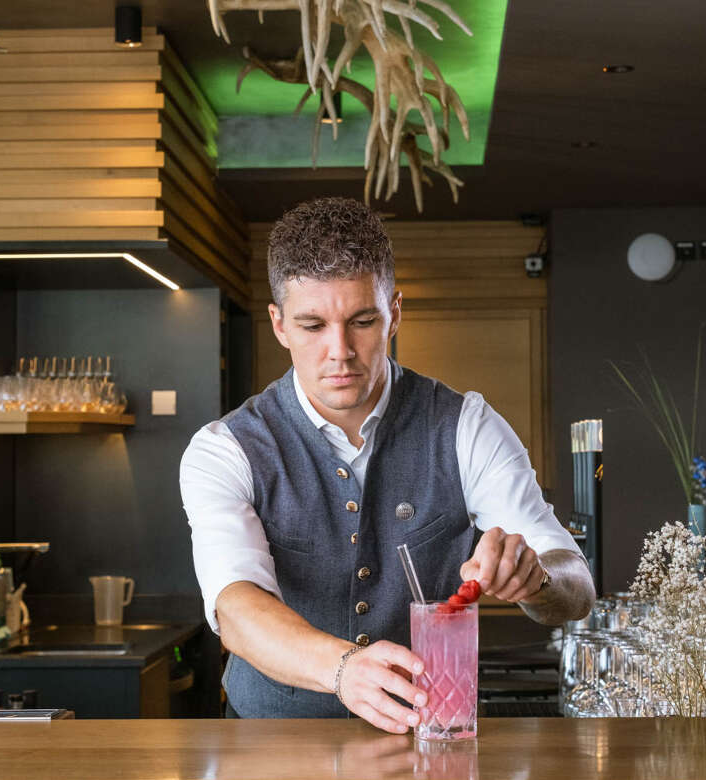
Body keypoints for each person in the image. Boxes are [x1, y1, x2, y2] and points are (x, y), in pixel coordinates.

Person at [180, 197, 595, 732]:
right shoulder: (225, 448)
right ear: (279, 325)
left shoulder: (466, 425)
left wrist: (536, 579)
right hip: (272, 741)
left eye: (363, 320)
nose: (341, 351)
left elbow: (576, 588)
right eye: (312, 326)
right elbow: (236, 608)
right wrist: (341, 669)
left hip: (426, 736)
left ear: (394, 312)